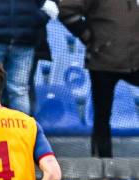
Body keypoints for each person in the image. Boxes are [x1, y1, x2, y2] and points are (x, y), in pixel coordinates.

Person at [59, 0, 139, 158]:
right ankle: (103, 162)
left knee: (102, 116)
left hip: (135, 60)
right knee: (102, 115)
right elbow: (66, 9)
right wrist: (87, 36)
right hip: (103, 61)